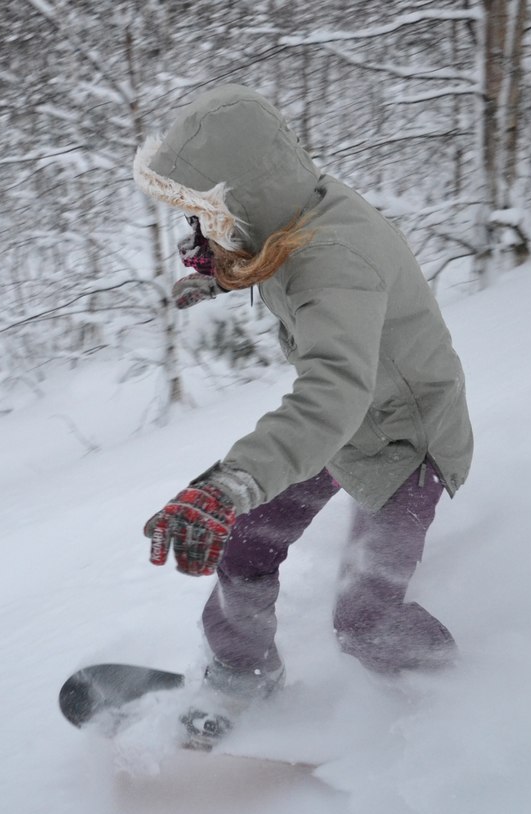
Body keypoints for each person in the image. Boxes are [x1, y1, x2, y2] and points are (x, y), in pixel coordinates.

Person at [133, 84, 473, 745]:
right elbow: (285, 250)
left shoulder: (333, 258)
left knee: (366, 621)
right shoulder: (297, 208)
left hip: (406, 443)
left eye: (205, 216)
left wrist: (231, 479)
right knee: (246, 537)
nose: (197, 232)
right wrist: (227, 271)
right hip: (347, 426)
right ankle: (243, 672)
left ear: (244, 199)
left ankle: (460, 699)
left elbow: (332, 391)